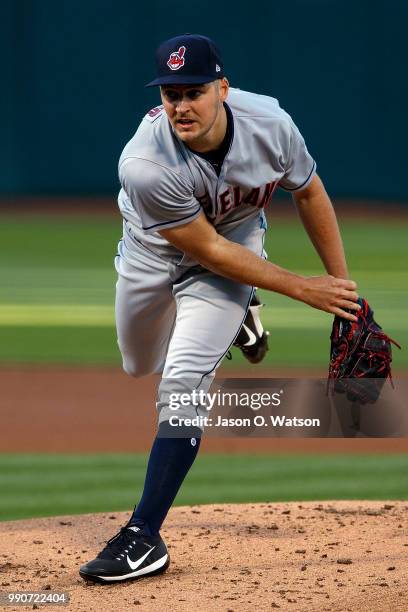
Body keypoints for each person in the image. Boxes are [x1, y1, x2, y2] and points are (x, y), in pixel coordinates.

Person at [79, 33, 360, 583]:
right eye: (170, 94)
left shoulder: (270, 124)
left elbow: (308, 191)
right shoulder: (144, 164)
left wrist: (340, 288)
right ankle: (245, 309)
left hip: (233, 253)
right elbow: (205, 248)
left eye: (194, 92)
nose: (181, 106)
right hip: (153, 256)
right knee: (139, 363)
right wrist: (303, 288)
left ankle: (144, 535)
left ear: (223, 88)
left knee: (181, 384)